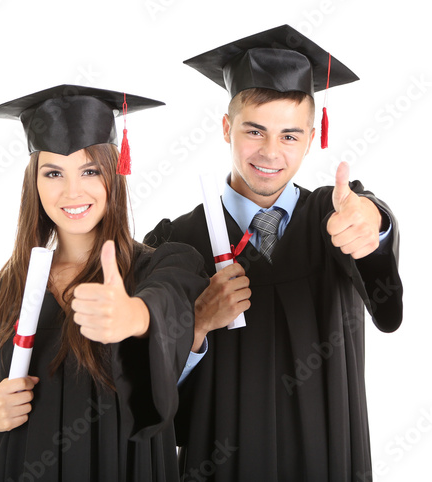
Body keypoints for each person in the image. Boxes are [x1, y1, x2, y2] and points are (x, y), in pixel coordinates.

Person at [144, 25, 403, 481]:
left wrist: (374, 229)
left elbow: (385, 300)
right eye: (254, 130)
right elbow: (145, 396)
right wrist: (196, 324)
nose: (269, 152)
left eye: (289, 135)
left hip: (329, 461)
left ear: (311, 135)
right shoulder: (176, 243)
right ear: (227, 127)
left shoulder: (333, 218)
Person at [0, 85, 208, 482]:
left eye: (89, 170)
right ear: (34, 184)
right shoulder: (0, 294)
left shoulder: (159, 270)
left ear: (113, 173)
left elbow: (171, 304)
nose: (72, 191)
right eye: (53, 173)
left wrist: (135, 317)